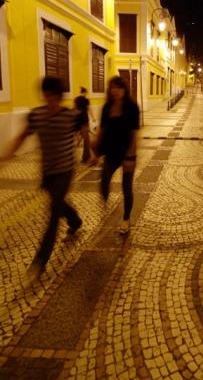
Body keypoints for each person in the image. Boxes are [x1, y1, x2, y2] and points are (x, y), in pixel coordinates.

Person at [1, 76, 91, 282]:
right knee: (58, 205)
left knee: (52, 214)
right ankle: (75, 219)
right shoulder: (37, 115)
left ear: (59, 97)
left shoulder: (70, 116)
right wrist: (6, 157)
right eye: (47, 95)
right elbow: (23, 136)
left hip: (65, 170)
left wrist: (92, 152)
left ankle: (40, 261)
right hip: (47, 172)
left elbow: (85, 131)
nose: (50, 100)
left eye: (54, 96)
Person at [91, 76, 139, 235]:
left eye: (118, 88)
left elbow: (134, 134)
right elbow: (102, 131)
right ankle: (104, 206)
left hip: (127, 154)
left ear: (124, 89)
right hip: (111, 153)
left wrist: (130, 157)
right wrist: (95, 152)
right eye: (112, 88)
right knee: (103, 181)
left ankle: (126, 219)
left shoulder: (132, 107)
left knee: (126, 188)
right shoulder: (106, 108)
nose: (115, 91)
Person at [73, 87, 94, 163]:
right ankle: (85, 158)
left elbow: (74, 108)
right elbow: (89, 109)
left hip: (77, 121)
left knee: (77, 137)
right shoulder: (86, 100)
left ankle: (72, 155)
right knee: (86, 140)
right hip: (84, 121)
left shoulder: (77, 99)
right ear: (85, 93)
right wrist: (93, 117)